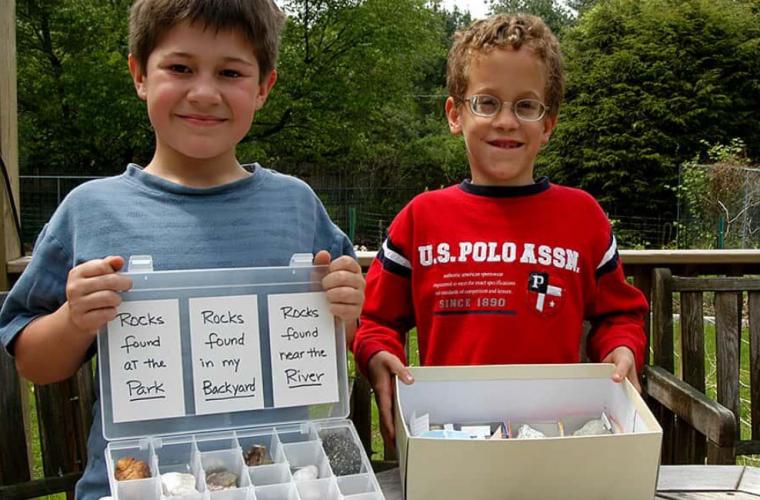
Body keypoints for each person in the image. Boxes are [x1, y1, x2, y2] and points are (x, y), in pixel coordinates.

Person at [0, 1, 365, 498]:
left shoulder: (297, 205)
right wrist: (74, 319)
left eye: (231, 72)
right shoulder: (90, 211)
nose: (204, 92)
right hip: (133, 484)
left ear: (262, 88)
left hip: (279, 482)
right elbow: (32, 363)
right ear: (139, 75)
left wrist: (345, 311)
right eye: (180, 67)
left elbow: (343, 334)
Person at [352, 14, 648, 450]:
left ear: (548, 124)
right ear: (455, 115)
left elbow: (618, 315)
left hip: (555, 443)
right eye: (487, 103)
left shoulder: (582, 216)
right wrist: (378, 356)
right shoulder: (420, 218)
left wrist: (622, 348)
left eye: (526, 106)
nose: (507, 121)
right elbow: (376, 320)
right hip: (451, 444)